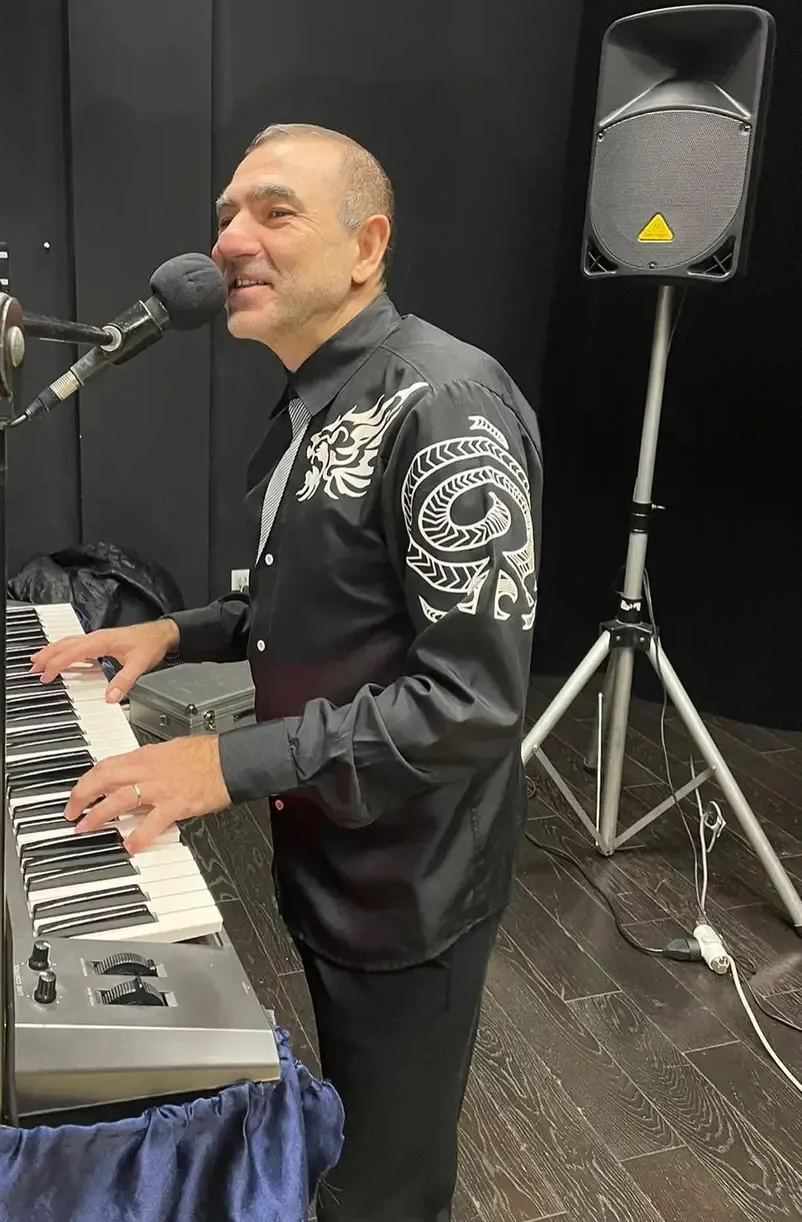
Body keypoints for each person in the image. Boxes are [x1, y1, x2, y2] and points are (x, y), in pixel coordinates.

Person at [30, 123, 543, 1222]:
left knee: (385, 1181)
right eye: (224, 215)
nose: (228, 241)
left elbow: (471, 700)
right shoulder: (319, 394)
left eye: (274, 212)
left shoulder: (445, 404)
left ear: (367, 247)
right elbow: (322, 598)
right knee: (342, 1125)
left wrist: (222, 762)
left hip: (410, 880)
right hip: (328, 847)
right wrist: (175, 634)